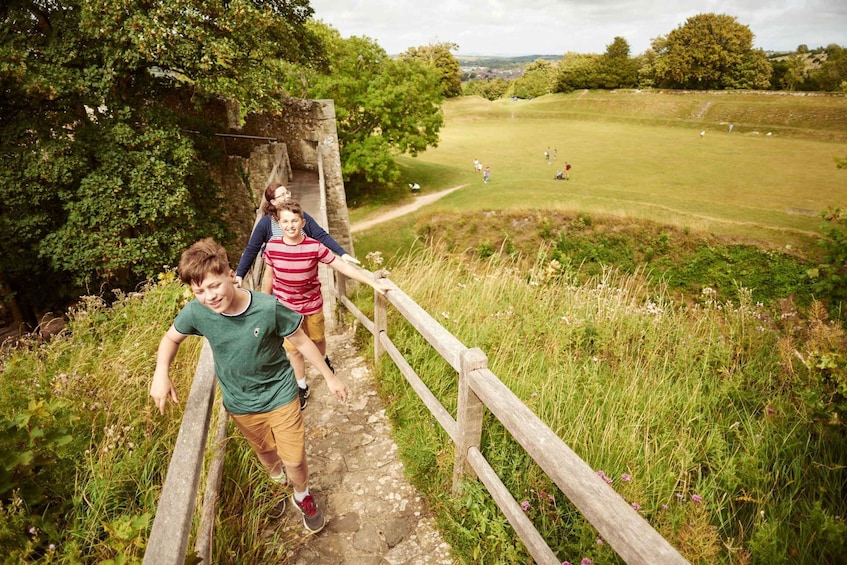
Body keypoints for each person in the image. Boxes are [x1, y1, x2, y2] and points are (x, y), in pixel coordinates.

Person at [150, 238, 344, 534]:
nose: (209, 297)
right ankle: (279, 484)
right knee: (267, 456)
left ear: (231, 275)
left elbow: (302, 341)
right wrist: (161, 373)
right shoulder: (196, 312)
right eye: (199, 290)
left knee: (294, 459)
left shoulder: (268, 308)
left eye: (214, 286)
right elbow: (170, 338)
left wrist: (330, 377)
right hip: (240, 403)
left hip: (280, 394)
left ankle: (302, 494)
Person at [261, 199, 392, 410]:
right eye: (285, 221)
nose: (290, 225)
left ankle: (322, 359)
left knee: (317, 339)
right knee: (293, 350)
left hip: (311, 305)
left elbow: (340, 265)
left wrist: (370, 282)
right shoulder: (273, 247)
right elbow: (269, 276)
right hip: (285, 308)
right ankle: (301, 386)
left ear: (303, 223)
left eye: (294, 220)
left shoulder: (314, 246)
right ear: (279, 223)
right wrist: (265, 303)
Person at [235, 182, 360, 288]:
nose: (287, 196)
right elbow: (252, 249)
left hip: (303, 280)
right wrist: (240, 274)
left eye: (287, 193)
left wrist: (342, 253)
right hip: (279, 282)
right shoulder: (266, 223)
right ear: (273, 201)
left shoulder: (301, 217)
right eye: (282, 195)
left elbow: (321, 235)